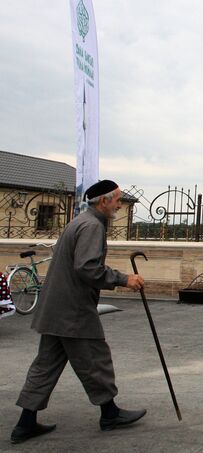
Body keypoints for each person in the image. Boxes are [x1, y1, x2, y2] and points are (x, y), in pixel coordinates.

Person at [11, 180, 146, 445]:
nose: (119, 204)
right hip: (73, 311)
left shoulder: (80, 222)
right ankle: (109, 414)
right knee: (96, 359)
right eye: (117, 199)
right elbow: (88, 267)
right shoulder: (92, 226)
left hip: (55, 309)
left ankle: (25, 424)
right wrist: (123, 279)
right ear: (104, 201)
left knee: (45, 367)